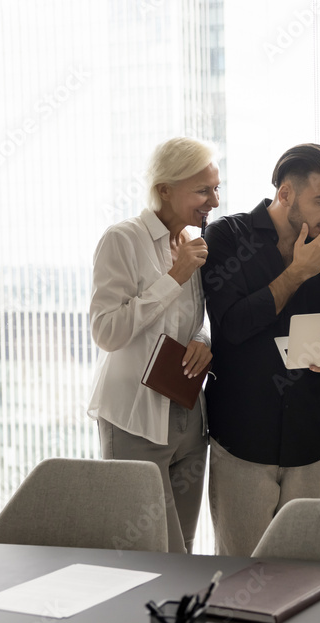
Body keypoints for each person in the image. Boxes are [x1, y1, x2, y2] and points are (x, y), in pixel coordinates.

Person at [201, 143, 320, 557]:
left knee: (302, 574)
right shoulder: (226, 237)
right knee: (239, 573)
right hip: (242, 439)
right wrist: (298, 272)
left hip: (307, 440)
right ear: (285, 194)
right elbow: (231, 327)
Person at [88, 137, 217, 554]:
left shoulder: (194, 243)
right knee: (147, 552)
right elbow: (106, 332)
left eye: (215, 188)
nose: (213, 200)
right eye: (203, 190)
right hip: (134, 421)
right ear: (165, 189)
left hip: (188, 419)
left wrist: (202, 339)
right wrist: (174, 277)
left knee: (185, 550)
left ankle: (183, 622)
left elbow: (192, 320)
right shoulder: (122, 240)